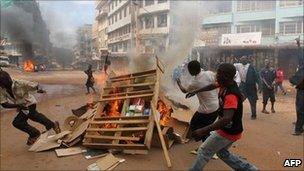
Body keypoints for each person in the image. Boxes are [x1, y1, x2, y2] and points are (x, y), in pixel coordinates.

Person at [186, 63, 258, 171]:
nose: (216, 75)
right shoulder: (225, 84)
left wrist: (203, 130)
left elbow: (226, 119)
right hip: (233, 129)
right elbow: (212, 86)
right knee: (222, 153)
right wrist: (195, 91)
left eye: (218, 73)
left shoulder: (231, 94)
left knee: (204, 151)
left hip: (228, 131)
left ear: (226, 76)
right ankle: (250, 169)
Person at [0, 70, 61, 145]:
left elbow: (35, 85)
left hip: (29, 103)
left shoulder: (19, 83)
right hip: (22, 106)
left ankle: (35, 133)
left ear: (8, 79)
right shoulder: (2, 89)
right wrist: (18, 105)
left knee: (18, 122)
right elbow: (4, 104)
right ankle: (52, 125)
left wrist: (39, 89)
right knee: (34, 116)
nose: (2, 86)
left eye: (2, 84)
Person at [176, 61, 219, 151]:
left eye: (189, 70)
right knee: (206, 128)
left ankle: (208, 148)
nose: (189, 72)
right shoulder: (209, 73)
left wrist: (178, 82)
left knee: (195, 126)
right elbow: (215, 82)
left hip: (206, 110)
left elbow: (184, 91)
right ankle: (208, 146)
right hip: (216, 107)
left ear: (192, 70)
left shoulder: (195, 83)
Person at [290, 64, 304, 135]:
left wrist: (293, 81)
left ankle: (298, 129)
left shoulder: (301, 69)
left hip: (302, 92)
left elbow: (293, 79)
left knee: (300, 110)